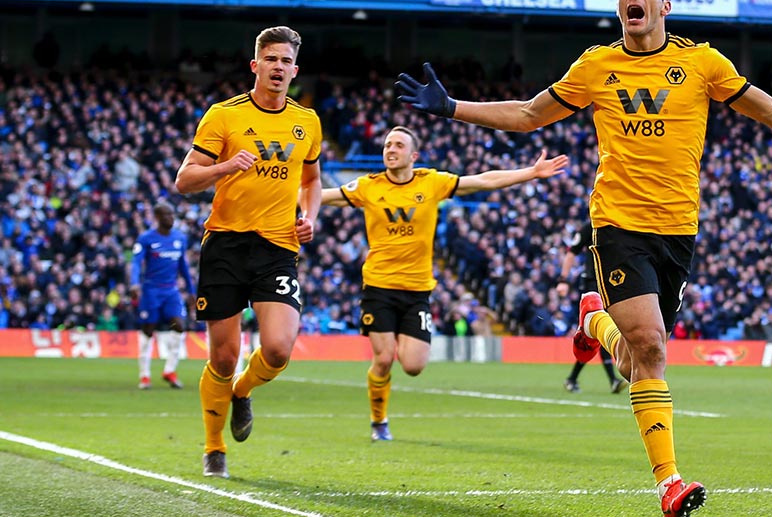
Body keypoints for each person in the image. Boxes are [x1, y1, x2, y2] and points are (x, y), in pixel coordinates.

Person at [395, 0, 772, 514]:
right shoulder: (596, 66)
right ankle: (669, 483)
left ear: (665, 4)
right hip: (618, 224)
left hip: (678, 231)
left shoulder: (702, 63)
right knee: (653, 348)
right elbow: (527, 114)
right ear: (618, 4)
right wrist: (451, 108)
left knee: (634, 359)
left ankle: (593, 320)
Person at [320, 125, 568, 441]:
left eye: (398, 145)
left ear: (414, 155)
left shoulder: (432, 182)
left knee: (413, 365)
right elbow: (321, 196)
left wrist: (530, 173)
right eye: (387, 145)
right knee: (383, 358)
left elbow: (482, 181)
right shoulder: (368, 186)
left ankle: (385, 397)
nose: (390, 150)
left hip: (418, 289)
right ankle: (379, 421)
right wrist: (280, 193)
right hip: (379, 285)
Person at [175, 26, 323, 479]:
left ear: (295, 71)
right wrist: (224, 166)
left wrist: (310, 215)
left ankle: (242, 391)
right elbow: (185, 180)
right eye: (271, 60)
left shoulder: (308, 122)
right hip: (224, 242)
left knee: (278, 349)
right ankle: (214, 447)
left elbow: (312, 180)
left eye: (286, 62)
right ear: (255, 65)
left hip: (277, 245)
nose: (279, 68)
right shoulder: (224, 116)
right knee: (222, 355)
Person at [557, 219, 627, 394]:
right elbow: (572, 251)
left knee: (603, 330)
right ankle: (611, 379)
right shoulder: (593, 226)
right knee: (595, 330)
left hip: (612, 285)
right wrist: (563, 280)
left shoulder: (623, 226)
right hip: (592, 284)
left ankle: (574, 379)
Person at [130, 201, 195, 390]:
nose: (171, 218)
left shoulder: (179, 238)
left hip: (171, 291)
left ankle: (170, 370)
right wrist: (134, 283)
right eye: (166, 215)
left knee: (179, 325)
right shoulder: (146, 238)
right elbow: (136, 263)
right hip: (151, 290)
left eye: (172, 214)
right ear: (157, 218)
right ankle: (144, 375)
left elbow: (183, 266)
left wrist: (191, 291)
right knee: (148, 329)